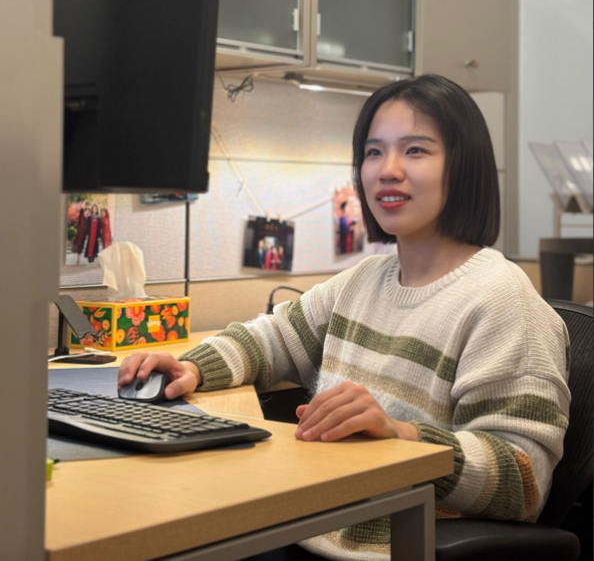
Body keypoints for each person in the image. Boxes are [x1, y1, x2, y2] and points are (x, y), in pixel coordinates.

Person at [119, 75, 570, 561]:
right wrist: (193, 367)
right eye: (374, 152)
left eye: (415, 150)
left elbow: (524, 480)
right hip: (309, 525)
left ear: (464, 167)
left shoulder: (502, 302)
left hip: (386, 548)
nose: (387, 170)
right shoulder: (366, 280)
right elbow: (274, 338)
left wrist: (401, 436)